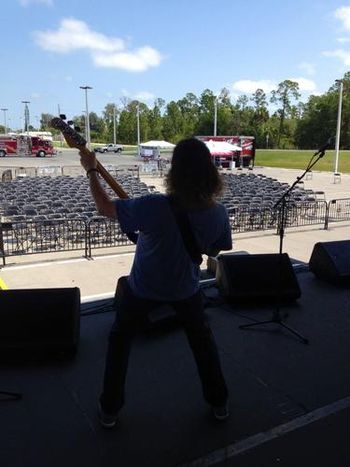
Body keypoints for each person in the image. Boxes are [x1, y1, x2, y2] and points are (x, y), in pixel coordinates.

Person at [79, 137, 232, 428]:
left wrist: (91, 170)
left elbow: (104, 207)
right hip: (187, 290)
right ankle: (219, 402)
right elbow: (214, 250)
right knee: (203, 344)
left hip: (142, 290)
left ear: (174, 171)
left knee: (120, 342)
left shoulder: (152, 206)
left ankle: (110, 409)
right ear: (209, 172)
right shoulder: (218, 213)